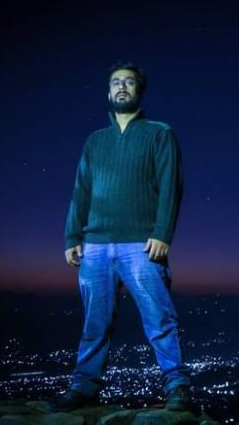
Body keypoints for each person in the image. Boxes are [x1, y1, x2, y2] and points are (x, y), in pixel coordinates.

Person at [49, 62, 192, 412]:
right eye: (116, 83)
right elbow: (81, 190)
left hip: (141, 244)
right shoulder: (95, 141)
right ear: (108, 92)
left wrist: (162, 233)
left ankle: (177, 386)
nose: (122, 87)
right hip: (95, 244)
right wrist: (72, 236)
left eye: (129, 82)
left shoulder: (159, 133)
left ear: (140, 91)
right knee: (94, 322)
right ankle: (84, 386)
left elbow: (170, 187)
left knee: (159, 318)